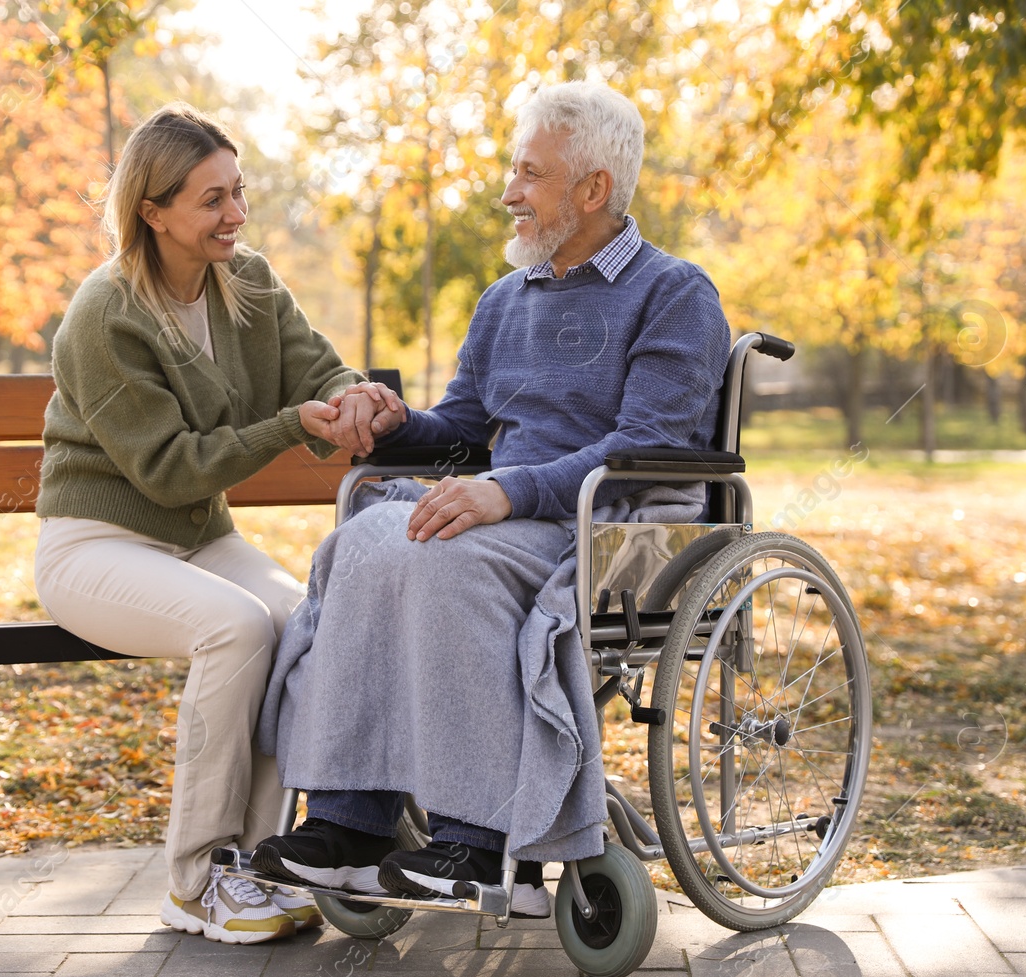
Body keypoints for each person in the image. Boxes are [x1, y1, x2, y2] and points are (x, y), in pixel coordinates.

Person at [253, 81, 733, 917]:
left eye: (529, 174)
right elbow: (464, 430)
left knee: (448, 557)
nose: (509, 193)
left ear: (593, 191)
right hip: (513, 510)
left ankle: (478, 840)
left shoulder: (675, 293)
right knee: (365, 541)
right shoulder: (503, 299)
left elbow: (644, 449)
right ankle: (349, 820)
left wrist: (506, 492)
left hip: (614, 524)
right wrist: (393, 423)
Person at [32, 103, 403, 945]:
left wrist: (353, 396)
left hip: (198, 539)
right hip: (96, 545)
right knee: (236, 627)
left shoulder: (250, 280)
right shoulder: (106, 314)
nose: (234, 214)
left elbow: (315, 364)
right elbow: (170, 469)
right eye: (211, 200)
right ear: (153, 212)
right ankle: (197, 879)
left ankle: (261, 863)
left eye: (239, 192)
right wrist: (291, 426)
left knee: (301, 620)